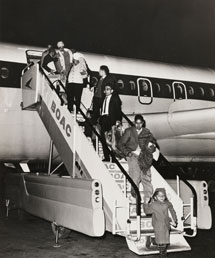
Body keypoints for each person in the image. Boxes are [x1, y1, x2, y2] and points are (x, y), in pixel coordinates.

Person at [117, 114, 156, 201]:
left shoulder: (147, 132)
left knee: (146, 177)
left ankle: (148, 198)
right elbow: (120, 144)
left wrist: (151, 148)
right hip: (133, 155)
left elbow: (153, 144)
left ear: (143, 123)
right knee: (135, 176)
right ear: (134, 123)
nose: (138, 125)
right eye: (136, 123)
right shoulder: (129, 131)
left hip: (144, 156)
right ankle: (135, 195)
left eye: (140, 123)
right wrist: (128, 153)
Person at [143, 188, 178, 258]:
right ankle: (163, 255)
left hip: (166, 224)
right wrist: (146, 203)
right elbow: (147, 211)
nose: (162, 197)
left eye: (163, 196)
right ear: (155, 197)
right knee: (163, 243)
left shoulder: (168, 203)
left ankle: (152, 240)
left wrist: (174, 220)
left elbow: (172, 211)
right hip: (158, 225)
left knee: (164, 241)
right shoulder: (153, 205)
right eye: (159, 196)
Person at [99, 84, 122, 161]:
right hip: (104, 119)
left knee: (113, 139)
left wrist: (118, 121)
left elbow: (118, 111)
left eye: (108, 89)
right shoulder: (103, 98)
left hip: (111, 119)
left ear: (112, 90)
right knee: (103, 139)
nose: (106, 91)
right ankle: (106, 157)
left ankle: (114, 157)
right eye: (105, 89)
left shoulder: (115, 99)